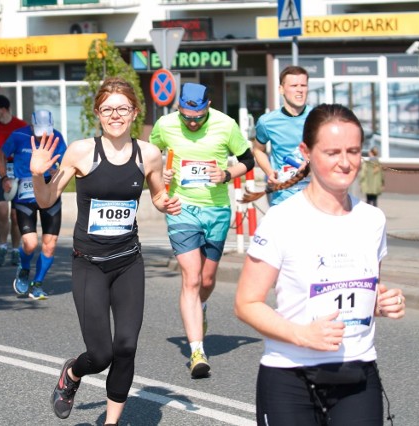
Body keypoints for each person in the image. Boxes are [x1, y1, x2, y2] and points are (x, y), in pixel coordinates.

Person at [235, 104, 405, 426]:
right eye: (332, 152)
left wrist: (381, 303)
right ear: (306, 152)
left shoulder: (373, 220)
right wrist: (301, 335)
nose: (345, 162)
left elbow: (362, 292)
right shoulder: (282, 220)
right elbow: (246, 303)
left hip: (357, 371)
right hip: (290, 375)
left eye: (353, 151)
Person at [29, 77, 181, 424]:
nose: (116, 115)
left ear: (134, 112)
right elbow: (47, 199)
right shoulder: (82, 151)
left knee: (126, 347)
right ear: (98, 113)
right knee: (100, 355)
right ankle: (72, 373)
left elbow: (157, 194)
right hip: (89, 264)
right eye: (108, 109)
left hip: (128, 261)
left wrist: (166, 202)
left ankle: (111, 423)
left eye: (123, 109)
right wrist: (38, 175)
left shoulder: (149, 154)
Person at [148, 82, 254, 378]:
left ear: (208, 107)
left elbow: (249, 159)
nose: (192, 122)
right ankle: (197, 352)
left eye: (198, 117)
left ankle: (201, 307)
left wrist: (226, 174)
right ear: (178, 109)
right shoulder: (165, 125)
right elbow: (149, 154)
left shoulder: (225, 124)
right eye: (186, 117)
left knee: (207, 279)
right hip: (181, 208)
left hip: (217, 210)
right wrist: (159, 173)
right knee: (191, 277)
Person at [0, 109, 67, 300]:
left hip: (50, 196)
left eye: (47, 129)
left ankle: (38, 283)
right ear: (32, 124)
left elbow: (66, 165)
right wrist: (4, 177)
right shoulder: (18, 136)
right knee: (30, 243)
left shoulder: (57, 137)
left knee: (50, 245)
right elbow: (1, 155)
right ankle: (24, 268)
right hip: (25, 196)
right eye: (39, 129)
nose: (43, 134)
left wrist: (56, 172)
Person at [253, 65, 312, 206]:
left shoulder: (320, 117)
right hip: (283, 196)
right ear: (281, 89)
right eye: (294, 85)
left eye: (303, 85)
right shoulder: (267, 121)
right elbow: (258, 150)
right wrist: (269, 171)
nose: (300, 90)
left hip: (314, 194)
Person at [0, 94, 28, 267]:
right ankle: (2, 246)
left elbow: (26, 149)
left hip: (17, 172)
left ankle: (16, 249)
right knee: (2, 211)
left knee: (15, 216)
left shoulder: (21, 126)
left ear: (3, 110)